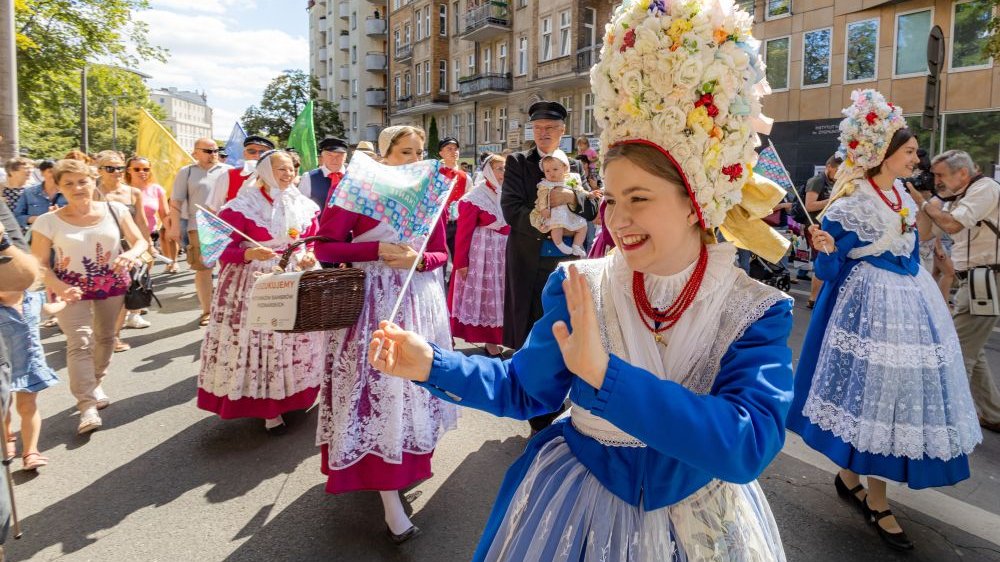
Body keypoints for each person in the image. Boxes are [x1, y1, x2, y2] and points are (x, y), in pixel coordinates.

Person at [367, 2, 793, 556]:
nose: (616, 220)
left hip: (696, 516)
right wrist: (430, 363)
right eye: (612, 199)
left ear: (696, 203)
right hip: (579, 502)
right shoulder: (580, 284)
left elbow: (746, 445)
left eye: (639, 199)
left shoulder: (753, 309)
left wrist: (603, 375)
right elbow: (524, 388)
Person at [787, 90, 981, 551]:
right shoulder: (850, 200)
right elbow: (828, 273)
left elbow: (911, 252)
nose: (917, 158)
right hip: (867, 311)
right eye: (910, 151)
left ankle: (854, 477)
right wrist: (824, 247)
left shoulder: (901, 195)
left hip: (908, 307)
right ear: (885, 153)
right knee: (874, 398)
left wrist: (926, 292)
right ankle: (875, 499)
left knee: (893, 396)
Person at [314, 125, 457, 544]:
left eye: (418, 152)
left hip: (419, 300)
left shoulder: (428, 193)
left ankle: (408, 460)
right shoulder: (358, 189)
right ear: (384, 155)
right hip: (373, 301)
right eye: (403, 152)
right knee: (376, 387)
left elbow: (440, 254)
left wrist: (419, 257)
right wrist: (374, 251)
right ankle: (386, 491)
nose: (413, 159)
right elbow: (326, 249)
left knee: (413, 387)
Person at [197, 150, 324, 433]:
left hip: (295, 275)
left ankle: (299, 391)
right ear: (265, 171)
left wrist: (307, 254)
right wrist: (248, 253)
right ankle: (269, 408)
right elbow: (217, 249)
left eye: (291, 167)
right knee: (264, 341)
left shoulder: (304, 204)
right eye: (280, 168)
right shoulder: (241, 206)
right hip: (255, 281)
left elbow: (312, 239)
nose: (287, 173)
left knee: (297, 338)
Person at [30, 159, 149, 434]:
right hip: (69, 287)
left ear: (93, 181)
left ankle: (95, 382)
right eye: (68, 183)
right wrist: (59, 287)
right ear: (58, 187)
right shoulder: (48, 222)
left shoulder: (115, 210)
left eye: (82, 181)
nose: (77, 188)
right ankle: (87, 406)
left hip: (111, 283)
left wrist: (131, 254)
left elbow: (140, 240)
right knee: (80, 341)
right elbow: (39, 264)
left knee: (106, 337)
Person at [501, 100, 596, 432]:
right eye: (538, 128)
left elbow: (592, 208)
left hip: (567, 264)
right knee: (535, 340)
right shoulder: (517, 163)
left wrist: (571, 200)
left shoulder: (572, 165)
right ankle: (539, 420)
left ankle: (566, 411)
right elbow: (511, 210)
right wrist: (547, 219)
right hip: (531, 264)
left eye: (550, 128)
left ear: (562, 131)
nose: (543, 134)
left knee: (567, 335)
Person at [908, 149, 1000, 434]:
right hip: (972, 280)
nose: (935, 180)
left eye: (940, 176)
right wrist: (925, 200)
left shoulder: (985, 189)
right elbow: (925, 234)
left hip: (988, 278)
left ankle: (949, 422)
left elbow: (951, 224)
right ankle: (994, 413)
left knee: (957, 349)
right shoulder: (953, 197)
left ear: (963, 172)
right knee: (972, 349)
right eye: (933, 175)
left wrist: (924, 203)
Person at [448, 153, 508, 356]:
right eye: (499, 169)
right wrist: (461, 263)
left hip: (502, 255)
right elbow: (463, 234)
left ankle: (500, 337)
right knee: (486, 294)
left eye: (505, 169)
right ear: (489, 171)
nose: (503, 173)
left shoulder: (505, 193)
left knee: (500, 295)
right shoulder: (474, 198)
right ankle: (489, 340)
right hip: (482, 256)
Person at [95, 151, 154, 344]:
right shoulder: (92, 192)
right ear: (100, 170)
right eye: (110, 168)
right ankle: (99, 334)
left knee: (122, 294)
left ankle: (114, 336)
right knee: (100, 296)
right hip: (99, 250)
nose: (116, 172)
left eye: (120, 168)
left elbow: (142, 223)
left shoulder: (133, 192)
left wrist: (149, 248)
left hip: (127, 250)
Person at [168, 138, 227, 327]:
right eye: (208, 151)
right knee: (204, 269)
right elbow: (175, 201)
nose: (213, 154)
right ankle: (207, 311)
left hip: (228, 226)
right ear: (196, 152)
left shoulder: (228, 171)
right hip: (199, 226)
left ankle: (228, 309)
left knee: (228, 269)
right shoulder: (187, 172)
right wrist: (174, 226)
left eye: (216, 151)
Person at [798, 155, 841, 307]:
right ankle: (814, 299)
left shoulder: (834, 182)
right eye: (838, 170)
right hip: (815, 226)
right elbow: (809, 205)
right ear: (829, 167)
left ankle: (818, 298)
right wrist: (834, 200)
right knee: (821, 261)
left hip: (827, 226)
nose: (840, 173)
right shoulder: (817, 181)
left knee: (824, 260)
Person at [532, 150, 588, 257]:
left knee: (583, 226)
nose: (551, 173)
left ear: (564, 168)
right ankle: (559, 243)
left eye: (555, 169)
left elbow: (580, 190)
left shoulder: (571, 179)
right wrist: (544, 209)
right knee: (556, 226)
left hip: (571, 211)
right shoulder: (545, 184)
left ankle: (576, 245)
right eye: (547, 171)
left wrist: (588, 194)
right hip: (555, 212)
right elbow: (542, 197)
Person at [125, 156, 170, 272]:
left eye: (146, 169)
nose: (142, 172)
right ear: (128, 170)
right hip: (126, 237)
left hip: (148, 236)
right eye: (137, 169)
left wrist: (172, 232)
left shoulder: (156, 189)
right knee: (129, 271)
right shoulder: (122, 189)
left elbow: (164, 214)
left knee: (145, 270)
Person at [209, 135, 274, 210]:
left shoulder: (280, 177)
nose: (257, 155)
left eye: (263, 152)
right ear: (244, 154)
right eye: (251, 151)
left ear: (271, 156)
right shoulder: (228, 175)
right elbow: (213, 208)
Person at [438, 137, 469, 259]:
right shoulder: (437, 174)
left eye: (456, 149)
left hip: (458, 223)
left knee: (459, 258)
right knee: (441, 258)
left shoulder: (465, 177)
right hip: (440, 223)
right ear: (441, 153)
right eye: (449, 149)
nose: (454, 152)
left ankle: (454, 279)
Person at [299, 137, 348, 214]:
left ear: (345, 157)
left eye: (339, 155)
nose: (334, 159)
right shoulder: (309, 177)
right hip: (319, 225)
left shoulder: (354, 176)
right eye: (329, 155)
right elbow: (301, 207)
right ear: (322, 156)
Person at [13, 160, 65, 233]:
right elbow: (17, 216)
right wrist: (40, 219)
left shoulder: (67, 192)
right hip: (37, 235)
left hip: (61, 235)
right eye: (50, 171)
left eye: (57, 172)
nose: (54, 175)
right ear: (42, 173)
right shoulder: (29, 192)